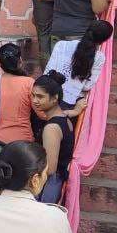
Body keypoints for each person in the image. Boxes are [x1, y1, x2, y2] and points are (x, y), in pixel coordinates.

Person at [45, 19, 113, 110]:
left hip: (46, 96)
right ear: (104, 40)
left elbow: (47, 72)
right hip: (68, 103)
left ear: (87, 30)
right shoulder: (99, 58)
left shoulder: (61, 45)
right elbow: (87, 86)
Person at [0, 42, 35, 143]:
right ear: (20, 61)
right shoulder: (29, 82)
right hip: (23, 141)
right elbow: (41, 113)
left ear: (1, 64)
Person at [30, 76, 74, 205]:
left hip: (48, 188)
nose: (35, 100)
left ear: (54, 98)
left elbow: (50, 169)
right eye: (33, 96)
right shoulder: (65, 119)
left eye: (40, 96)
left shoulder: (52, 128)